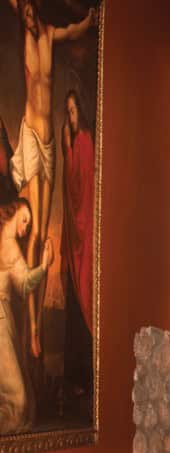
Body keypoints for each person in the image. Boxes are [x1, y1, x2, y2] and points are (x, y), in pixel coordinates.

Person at [7, 0, 96, 365]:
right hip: (30, 136)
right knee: (31, 236)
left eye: (31, 13)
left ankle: (37, 326)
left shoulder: (49, 35)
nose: (28, 19)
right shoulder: (28, 33)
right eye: (23, 14)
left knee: (43, 234)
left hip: (46, 146)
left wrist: (93, 17)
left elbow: (76, 30)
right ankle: (33, 329)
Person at [0, 199, 53, 434]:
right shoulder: (9, 243)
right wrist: (43, 266)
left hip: (4, 318)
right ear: (13, 212)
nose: (27, 226)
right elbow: (24, 284)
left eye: (29, 223)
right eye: (25, 219)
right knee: (18, 400)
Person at [60, 90, 95, 408]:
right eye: (67, 112)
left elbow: (80, 189)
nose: (69, 118)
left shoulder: (83, 141)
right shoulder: (75, 142)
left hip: (84, 237)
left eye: (72, 111)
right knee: (73, 304)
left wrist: (68, 152)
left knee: (84, 302)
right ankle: (76, 380)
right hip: (75, 240)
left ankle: (84, 379)